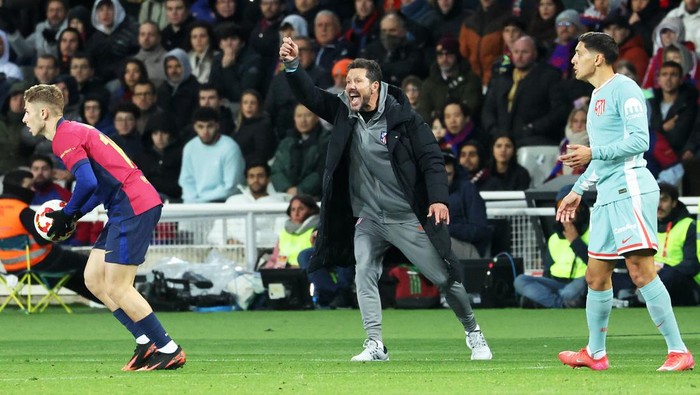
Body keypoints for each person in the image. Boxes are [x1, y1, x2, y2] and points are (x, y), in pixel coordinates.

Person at [279, 37, 492, 362]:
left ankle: (473, 332)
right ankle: (375, 343)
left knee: (445, 279)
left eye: (357, 81)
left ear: (375, 87)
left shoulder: (405, 121)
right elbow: (310, 95)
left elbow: (433, 161)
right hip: (368, 219)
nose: (349, 86)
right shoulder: (342, 112)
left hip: (406, 217)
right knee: (364, 270)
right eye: (348, 81)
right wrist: (293, 65)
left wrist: (438, 200)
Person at [22, 84, 186, 370]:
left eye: (27, 112)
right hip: (127, 204)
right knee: (94, 278)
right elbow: (100, 185)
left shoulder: (64, 138)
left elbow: (88, 183)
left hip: (132, 205)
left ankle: (169, 348)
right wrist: (74, 215)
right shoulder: (75, 130)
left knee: (118, 287)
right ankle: (145, 340)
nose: (24, 118)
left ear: (43, 113)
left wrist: (68, 213)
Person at [555, 32, 693, 371]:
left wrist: (592, 152)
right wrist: (578, 189)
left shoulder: (626, 88)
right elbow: (601, 160)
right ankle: (595, 353)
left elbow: (640, 140)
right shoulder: (597, 98)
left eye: (579, 53)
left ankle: (679, 351)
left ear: (598, 58)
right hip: (606, 195)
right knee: (596, 276)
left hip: (631, 190)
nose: (573, 59)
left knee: (640, 271)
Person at [0, 170, 99, 305]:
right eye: (29, 187)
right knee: (88, 265)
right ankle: (113, 301)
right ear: (17, 187)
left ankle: (110, 302)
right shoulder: (22, 211)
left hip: (11, 269)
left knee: (70, 276)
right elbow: (42, 239)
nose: (33, 190)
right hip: (40, 263)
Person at [514, 185, 589, 308]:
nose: (566, 212)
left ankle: (547, 302)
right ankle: (561, 304)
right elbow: (547, 272)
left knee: (570, 293)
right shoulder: (554, 238)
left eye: (571, 207)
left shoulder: (594, 232)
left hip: (582, 281)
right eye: (562, 208)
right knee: (520, 281)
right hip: (556, 283)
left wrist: (575, 241)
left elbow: (596, 265)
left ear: (582, 209)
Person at [207, 162, 288, 246]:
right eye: (251, 176)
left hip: (265, 255)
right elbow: (214, 234)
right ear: (247, 179)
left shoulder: (278, 204)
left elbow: (281, 238)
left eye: (260, 176)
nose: (255, 180)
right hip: (232, 254)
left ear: (268, 179)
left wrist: (246, 239)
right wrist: (228, 240)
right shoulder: (233, 201)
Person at [179, 106, 244, 203]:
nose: (205, 131)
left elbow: (231, 186)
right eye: (200, 126)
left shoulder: (230, 148)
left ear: (217, 126)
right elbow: (186, 180)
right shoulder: (189, 147)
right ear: (195, 127)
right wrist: (193, 201)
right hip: (194, 203)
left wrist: (201, 201)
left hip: (224, 202)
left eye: (210, 126)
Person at [651, 183, 700, 306]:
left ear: (674, 203)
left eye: (664, 200)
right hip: (652, 276)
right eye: (656, 199)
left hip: (686, 283)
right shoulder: (647, 225)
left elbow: (692, 265)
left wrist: (662, 268)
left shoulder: (689, 225)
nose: (659, 205)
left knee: (668, 276)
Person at [444, 154, 491, 259]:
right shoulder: (424, 193)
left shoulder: (467, 190)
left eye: (448, 174)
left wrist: (446, 229)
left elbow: (480, 230)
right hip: (437, 241)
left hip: (469, 248)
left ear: (454, 174)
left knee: (434, 241)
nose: (443, 179)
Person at [263, 194, 319, 269]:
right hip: (284, 274)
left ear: (312, 210)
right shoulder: (284, 232)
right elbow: (274, 260)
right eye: (293, 209)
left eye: (301, 209)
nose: (296, 213)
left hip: (307, 274)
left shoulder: (317, 231)